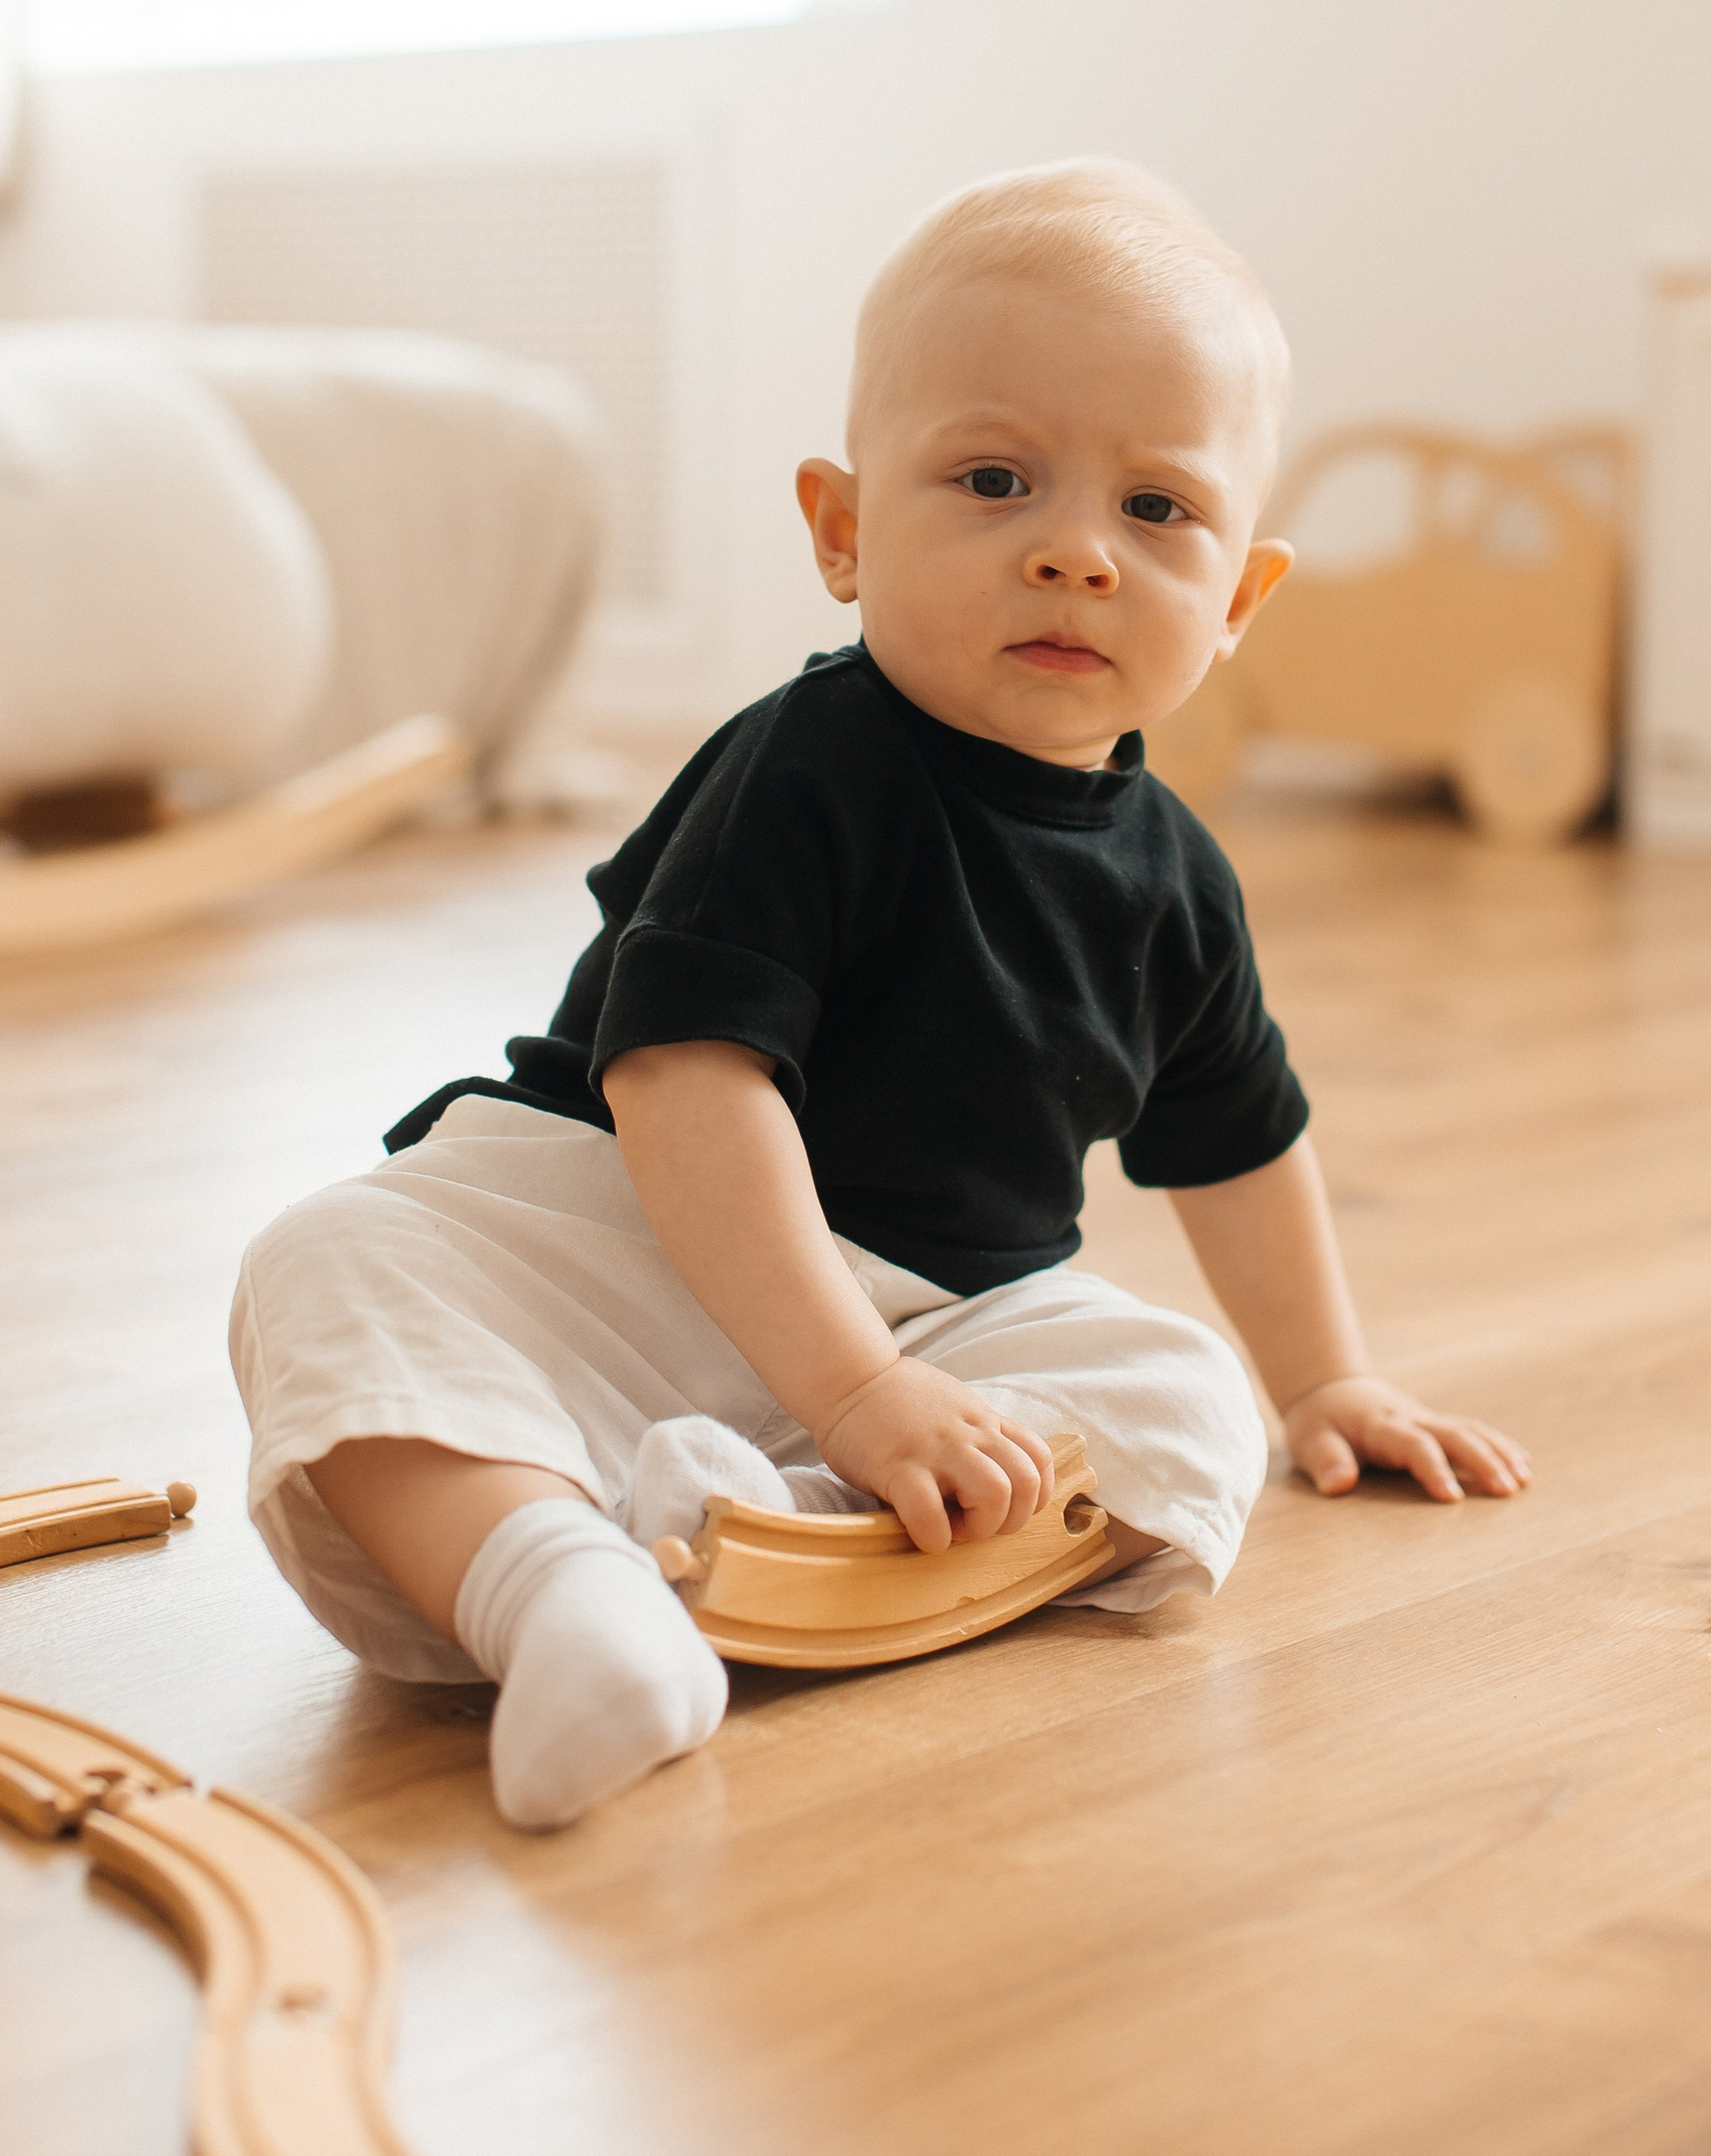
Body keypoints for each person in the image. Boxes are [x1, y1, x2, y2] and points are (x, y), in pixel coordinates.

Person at [229, 159, 1530, 1831]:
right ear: (842, 532)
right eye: (994, 481)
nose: (1073, 554)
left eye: (1153, 511)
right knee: (332, 1262)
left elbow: (1236, 1141)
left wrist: (1325, 1384)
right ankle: (554, 1588)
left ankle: (756, 1523)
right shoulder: (807, 768)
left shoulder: (1179, 882)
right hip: (620, 1235)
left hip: (943, 1311)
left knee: (1182, 1400)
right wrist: (850, 1391)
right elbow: (686, 1086)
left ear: (1239, 602)